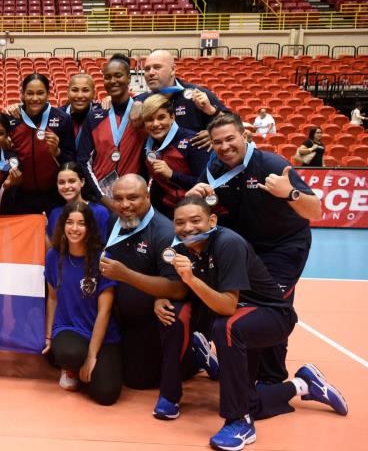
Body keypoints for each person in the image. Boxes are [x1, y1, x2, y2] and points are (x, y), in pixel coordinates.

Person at [154, 196, 347, 451]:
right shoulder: (180, 248)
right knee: (247, 398)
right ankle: (303, 385)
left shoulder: (227, 243)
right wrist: (160, 297)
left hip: (270, 316)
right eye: (180, 223)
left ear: (212, 220)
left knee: (226, 327)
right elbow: (179, 288)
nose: (187, 228)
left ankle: (239, 422)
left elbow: (227, 306)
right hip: (235, 317)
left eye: (195, 220)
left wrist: (190, 279)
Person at [188, 113, 321, 385]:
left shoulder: (271, 164)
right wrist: (195, 196)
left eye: (230, 139)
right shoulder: (213, 169)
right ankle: (254, 371)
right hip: (247, 248)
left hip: (284, 247)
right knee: (244, 305)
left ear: (244, 136)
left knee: (269, 308)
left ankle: (273, 378)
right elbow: (200, 210)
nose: (224, 147)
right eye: (217, 142)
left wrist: (290, 193)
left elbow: (316, 211)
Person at [97, 174, 205, 389]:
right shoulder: (113, 221)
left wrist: (125, 275)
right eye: (118, 198)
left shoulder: (164, 233)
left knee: (139, 381)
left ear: (147, 197)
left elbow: (178, 289)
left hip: (150, 319)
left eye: (133, 198)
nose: (125, 205)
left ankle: (195, 355)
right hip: (118, 316)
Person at [43, 202, 122, 405]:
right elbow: (52, 297)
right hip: (69, 328)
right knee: (70, 353)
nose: (75, 229)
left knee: (106, 395)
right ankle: (71, 367)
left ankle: (87, 368)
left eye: (81, 223)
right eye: (70, 222)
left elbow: (104, 312)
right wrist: (49, 336)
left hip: (101, 334)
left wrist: (92, 357)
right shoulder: (54, 256)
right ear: (63, 225)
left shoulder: (103, 259)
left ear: (90, 228)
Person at [76, 54, 145, 204]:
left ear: (128, 78)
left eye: (118, 75)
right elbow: (83, 161)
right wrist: (103, 198)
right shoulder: (94, 117)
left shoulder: (143, 114)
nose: (112, 81)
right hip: (100, 199)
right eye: (107, 77)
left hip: (134, 198)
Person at [6, 73, 75, 214]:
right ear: (22, 95)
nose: (35, 98)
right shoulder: (11, 118)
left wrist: (57, 152)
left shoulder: (62, 119)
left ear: (48, 94)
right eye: (30, 93)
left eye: (40, 93)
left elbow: (72, 160)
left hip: (54, 194)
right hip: (20, 195)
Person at [138, 49, 227, 148]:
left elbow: (232, 123)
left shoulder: (198, 94)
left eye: (157, 67)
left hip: (194, 160)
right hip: (155, 160)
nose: (150, 73)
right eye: (146, 69)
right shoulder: (140, 101)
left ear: (172, 70)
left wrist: (216, 134)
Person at [140, 94, 210, 218]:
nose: (156, 124)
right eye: (149, 119)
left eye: (161, 117)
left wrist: (172, 175)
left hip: (194, 212)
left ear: (172, 117)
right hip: (166, 212)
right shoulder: (147, 144)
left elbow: (206, 184)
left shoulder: (194, 141)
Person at [46, 162, 109, 242]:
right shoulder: (55, 213)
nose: (66, 186)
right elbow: (53, 248)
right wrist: (45, 229)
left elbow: (104, 247)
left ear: (82, 182)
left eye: (72, 181)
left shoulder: (99, 212)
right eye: (62, 182)